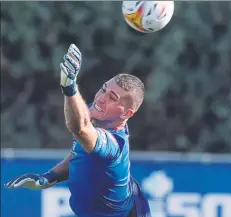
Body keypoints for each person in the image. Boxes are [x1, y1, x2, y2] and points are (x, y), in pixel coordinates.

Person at [4, 44, 151, 217]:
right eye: (104, 89)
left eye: (112, 98)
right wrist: (49, 177)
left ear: (127, 113)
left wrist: (70, 88)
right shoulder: (98, 115)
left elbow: (80, 128)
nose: (101, 98)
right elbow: (79, 152)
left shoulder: (113, 146)